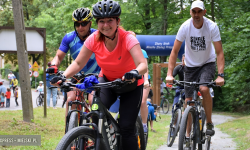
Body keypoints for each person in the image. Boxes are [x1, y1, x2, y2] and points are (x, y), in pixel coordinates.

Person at [50, 0, 147, 149]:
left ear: (118, 21)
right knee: (95, 114)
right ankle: (105, 141)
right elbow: (78, 63)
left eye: (110, 20)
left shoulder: (128, 38)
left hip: (131, 85)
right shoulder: (94, 39)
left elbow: (143, 65)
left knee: (127, 128)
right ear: (97, 22)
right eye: (102, 21)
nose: (106, 25)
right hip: (107, 81)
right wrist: (64, 76)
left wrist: (134, 72)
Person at [165, 0, 225, 146]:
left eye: (199, 11)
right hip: (190, 66)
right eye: (194, 11)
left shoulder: (212, 26)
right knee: (188, 100)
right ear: (191, 12)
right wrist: (169, 73)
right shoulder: (185, 27)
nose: (196, 14)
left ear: (204, 12)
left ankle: (209, 123)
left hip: (207, 63)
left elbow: (219, 52)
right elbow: (174, 52)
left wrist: (220, 75)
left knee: (204, 89)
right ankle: (186, 135)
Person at [46, 7, 101, 117]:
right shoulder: (69, 37)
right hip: (77, 75)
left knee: (92, 101)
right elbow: (58, 56)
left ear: (90, 23)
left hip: (96, 75)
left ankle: (96, 131)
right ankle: (69, 131)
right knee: (71, 100)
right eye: (77, 24)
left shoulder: (98, 35)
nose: (80, 27)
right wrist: (53, 65)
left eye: (84, 23)